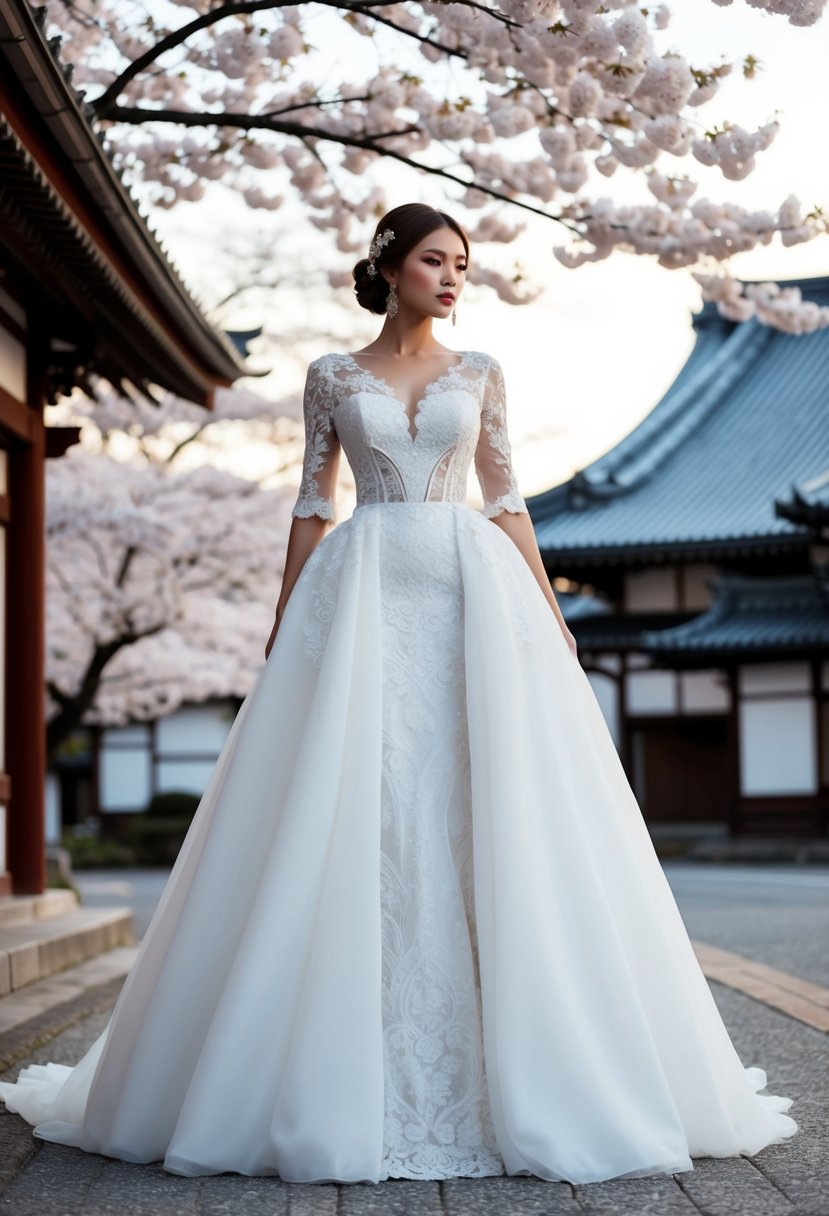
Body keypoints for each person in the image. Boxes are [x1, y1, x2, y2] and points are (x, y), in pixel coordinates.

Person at [0, 202, 797, 1185]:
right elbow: (309, 501)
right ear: (390, 265)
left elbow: (505, 500)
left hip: (472, 594)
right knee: (366, 804)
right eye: (436, 260)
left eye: (464, 263)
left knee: (482, 801)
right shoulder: (331, 376)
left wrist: (548, 620)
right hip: (364, 589)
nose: (455, 277)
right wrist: (284, 623)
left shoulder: (482, 373)